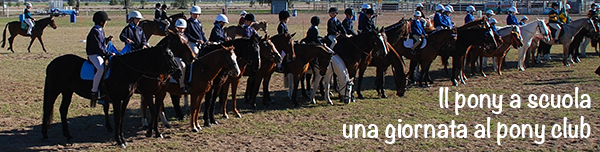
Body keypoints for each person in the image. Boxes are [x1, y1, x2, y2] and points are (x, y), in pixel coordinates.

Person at [87, 11, 114, 103]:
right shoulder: (95, 31)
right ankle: (94, 90)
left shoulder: (99, 31)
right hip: (94, 55)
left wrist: (107, 40)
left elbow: (101, 44)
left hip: (99, 53)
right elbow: (97, 47)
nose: (106, 23)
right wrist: (108, 53)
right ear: (101, 22)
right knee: (100, 68)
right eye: (105, 21)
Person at [174, 19, 189, 92]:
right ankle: (181, 85)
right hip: (175, 56)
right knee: (182, 66)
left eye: (182, 28)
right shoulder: (174, 37)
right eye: (179, 28)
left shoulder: (185, 37)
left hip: (183, 56)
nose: (180, 30)